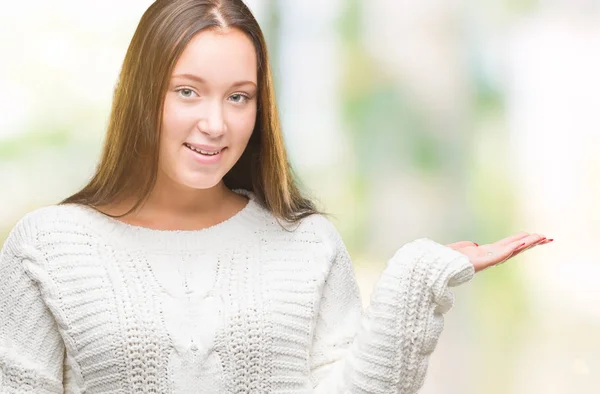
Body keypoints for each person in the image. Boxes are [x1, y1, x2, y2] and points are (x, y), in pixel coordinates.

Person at [0, 0, 552, 393]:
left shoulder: (305, 244)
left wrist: (418, 276)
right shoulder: (49, 245)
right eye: (187, 91)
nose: (215, 123)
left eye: (239, 97)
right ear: (143, 93)